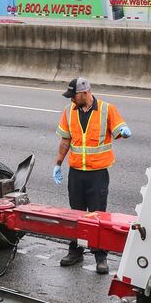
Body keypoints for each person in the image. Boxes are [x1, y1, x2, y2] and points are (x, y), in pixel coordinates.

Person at [52, 78, 131, 274]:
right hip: (76, 173)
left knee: (97, 216)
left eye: (74, 96)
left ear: (85, 92)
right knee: (76, 214)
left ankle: (100, 256)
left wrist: (123, 131)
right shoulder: (69, 111)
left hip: (98, 174)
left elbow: (119, 129)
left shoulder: (107, 109)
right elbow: (65, 140)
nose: (71, 100)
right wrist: (58, 164)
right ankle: (75, 251)